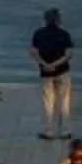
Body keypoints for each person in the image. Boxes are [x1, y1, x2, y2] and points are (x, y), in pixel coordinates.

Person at [30, 8, 75, 140]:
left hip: (45, 73)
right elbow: (69, 54)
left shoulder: (38, 34)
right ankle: (65, 131)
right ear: (58, 20)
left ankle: (48, 131)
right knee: (64, 102)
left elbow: (33, 51)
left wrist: (44, 63)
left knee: (47, 102)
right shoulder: (64, 34)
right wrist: (56, 64)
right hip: (62, 71)